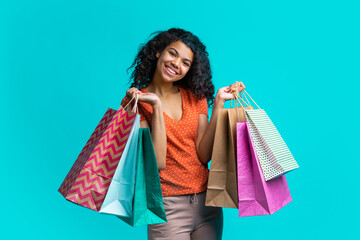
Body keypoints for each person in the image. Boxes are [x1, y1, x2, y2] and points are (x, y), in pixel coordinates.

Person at [122, 28, 245, 240]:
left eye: (186, 63)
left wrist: (218, 103)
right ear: (159, 52)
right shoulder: (137, 102)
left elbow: (203, 154)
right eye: (173, 54)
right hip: (167, 207)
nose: (176, 64)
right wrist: (156, 107)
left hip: (207, 205)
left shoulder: (194, 98)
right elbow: (157, 162)